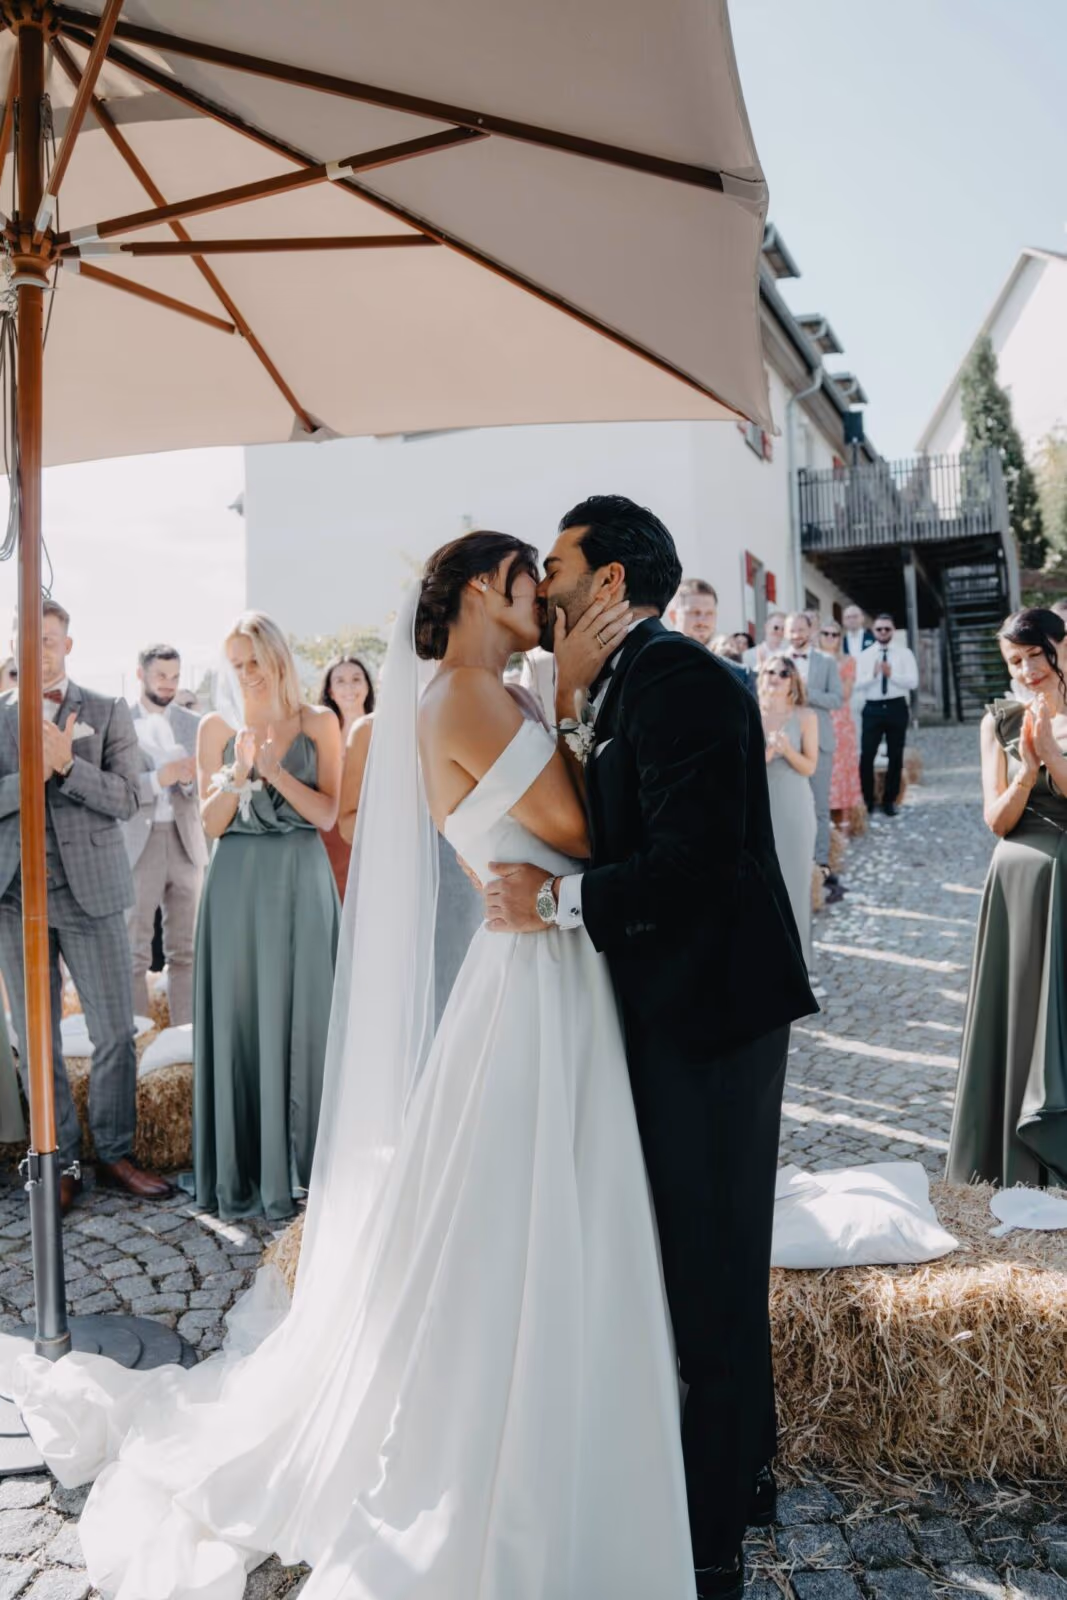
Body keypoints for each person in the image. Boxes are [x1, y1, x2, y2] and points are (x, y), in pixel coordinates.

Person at [1, 535, 700, 1600]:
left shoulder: (489, 692)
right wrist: (566, 690)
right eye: (531, 578)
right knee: (523, 1208)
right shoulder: (467, 696)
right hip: (531, 989)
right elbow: (585, 831)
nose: (548, 597)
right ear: (484, 587)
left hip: (547, 970)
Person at [488, 497, 816, 1599]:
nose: (543, 580)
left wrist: (556, 904)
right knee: (683, 1258)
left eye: (558, 563)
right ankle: (729, 1477)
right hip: (672, 1008)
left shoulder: (677, 680)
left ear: (611, 579)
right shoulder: (625, 682)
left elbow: (695, 864)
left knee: (710, 1265)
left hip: (712, 1016)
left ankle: (713, 1533)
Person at [0, 601, 172, 1212]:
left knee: (113, 1034)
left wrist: (68, 763)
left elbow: (127, 797)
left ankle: (116, 1152)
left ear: (68, 645)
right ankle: (63, 1157)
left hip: (91, 893)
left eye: (51, 638)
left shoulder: (106, 709)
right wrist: (29, 769)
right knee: (34, 1037)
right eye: (29, 638)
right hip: (17, 900)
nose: (40, 648)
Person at [193, 612, 342, 1220]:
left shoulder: (319, 722)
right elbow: (210, 824)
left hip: (300, 884)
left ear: (278, 658)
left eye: (253, 660)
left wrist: (275, 770)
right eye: (236, 664)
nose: (246, 674)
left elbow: (328, 814)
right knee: (239, 1019)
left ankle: (310, 1169)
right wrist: (238, 772)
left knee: (307, 1018)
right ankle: (244, 1172)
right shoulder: (215, 726)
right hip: (234, 888)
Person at [947, 608, 1067, 1189]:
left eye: (1032, 656)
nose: (1025, 670)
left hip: (1063, 886)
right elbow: (996, 819)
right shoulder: (997, 720)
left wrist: (1053, 753)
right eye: (1014, 662)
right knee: (1016, 1018)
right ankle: (1008, 1166)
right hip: (1015, 892)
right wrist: (1029, 768)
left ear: (1059, 647)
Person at [124, 644, 207, 1025]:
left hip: (185, 840)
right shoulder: (119, 721)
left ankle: (185, 1045)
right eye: (161, 676)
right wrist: (161, 778)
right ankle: (138, 1044)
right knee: (134, 952)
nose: (169, 684)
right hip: (138, 844)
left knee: (186, 951)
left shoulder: (193, 723)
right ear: (140, 674)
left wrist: (189, 781)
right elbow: (115, 788)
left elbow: (204, 784)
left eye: (175, 677)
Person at [758, 655, 819, 970]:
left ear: (793, 681)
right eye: (770, 671)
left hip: (794, 808)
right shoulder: (752, 712)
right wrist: (765, 755)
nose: (776, 677)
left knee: (795, 882)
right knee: (762, 886)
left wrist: (786, 751)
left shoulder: (805, 717)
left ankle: (799, 963)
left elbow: (810, 766)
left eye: (784, 673)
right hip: (760, 807)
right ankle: (767, 959)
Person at [784, 611, 841, 885]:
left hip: (820, 742)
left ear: (811, 631)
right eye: (791, 631)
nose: (797, 635)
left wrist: (805, 692)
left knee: (819, 807)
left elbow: (836, 699)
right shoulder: (777, 662)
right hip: (786, 743)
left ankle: (821, 864)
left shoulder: (827, 662)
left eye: (801, 630)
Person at [317, 654, 375, 898]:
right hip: (329, 841)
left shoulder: (380, 730)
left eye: (356, 679)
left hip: (370, 836)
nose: (349, 686)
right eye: (340, 681)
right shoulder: (318, 737)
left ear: (367, 686)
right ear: (330, 690)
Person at [856, 614, 919, 818]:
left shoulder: (904, 653)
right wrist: (873, 675)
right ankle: (867, 799)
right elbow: (857, 684)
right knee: (866, 755)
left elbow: (913, 682)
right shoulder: (865, 655)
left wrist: (892, 675)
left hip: (896, 706)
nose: (883, 632)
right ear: (873, 631)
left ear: (893, 631)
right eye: (879, 629)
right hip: (872, 707)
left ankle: (890, 800)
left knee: (895, 754)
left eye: (887, 629)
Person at [820, 619, 864, 831]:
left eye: (834, 634)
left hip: (841, 721)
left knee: (842, 768)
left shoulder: (848, 661)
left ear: (840, 638)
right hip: (819, 717)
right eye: (825, 633)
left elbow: (845, 693)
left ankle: (843, 821)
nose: (829, 638)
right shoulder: (814, 660)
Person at [670, 577, 718, 645]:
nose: (702, 621)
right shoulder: (659, 654)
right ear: (674, 616)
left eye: (709, 613)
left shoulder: (727, 653)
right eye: (695, 612)